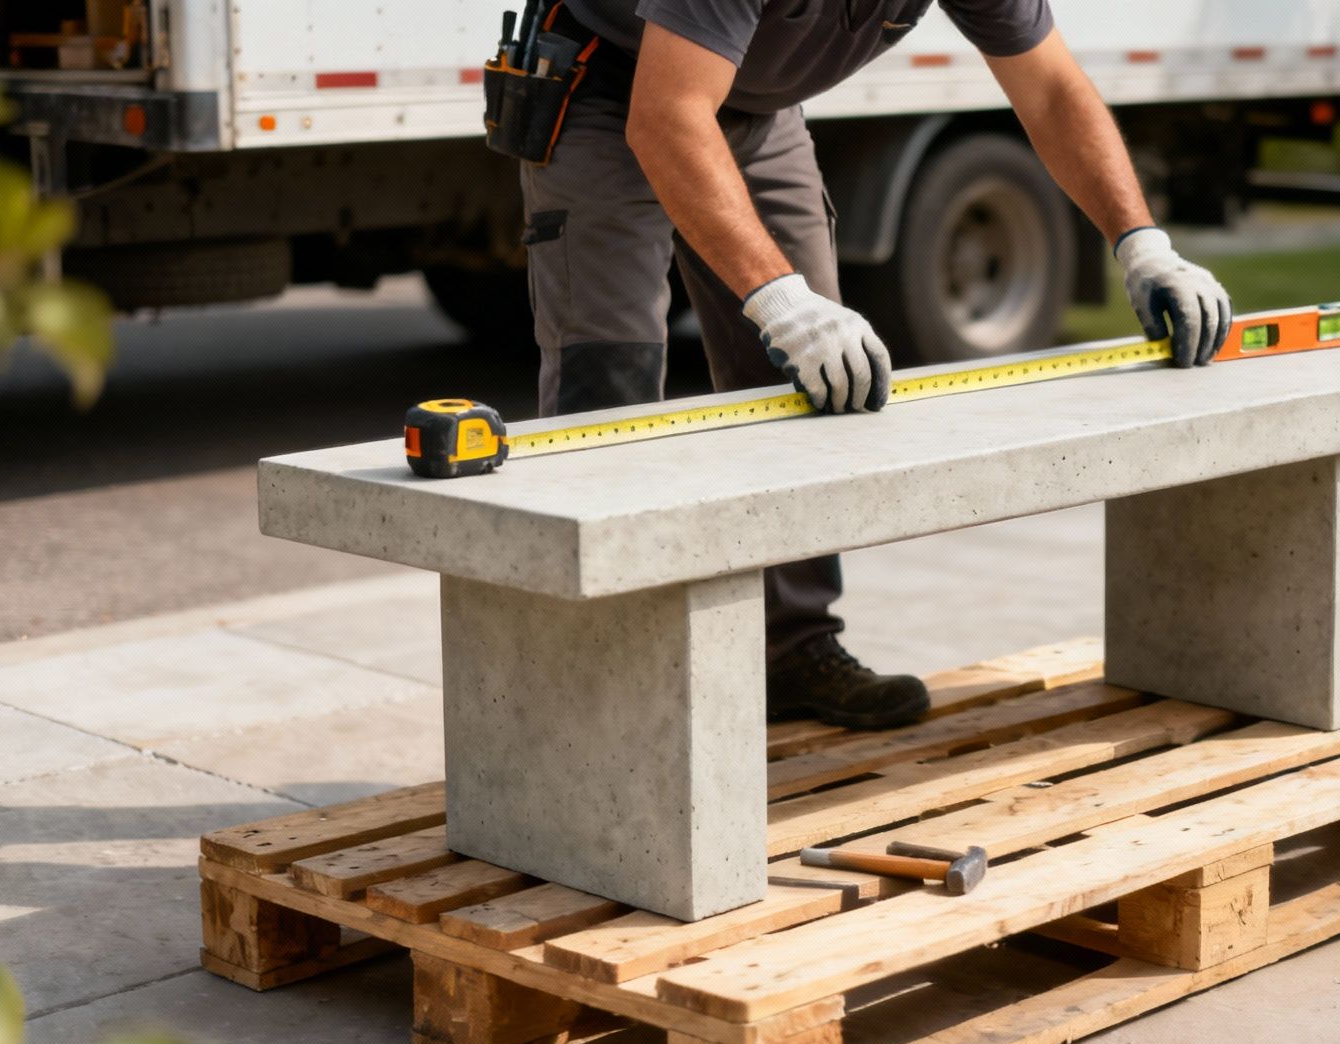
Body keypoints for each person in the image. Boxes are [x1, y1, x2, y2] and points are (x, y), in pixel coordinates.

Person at [524, 0, 1233, 730]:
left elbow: (1050, 88)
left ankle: (789, 653)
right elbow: (666, 117)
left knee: (816, 381)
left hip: (758, 110)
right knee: (609, 397)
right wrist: (780, 301)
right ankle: (600, 696)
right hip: (611, 84)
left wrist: (1142, 242)